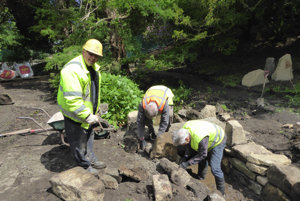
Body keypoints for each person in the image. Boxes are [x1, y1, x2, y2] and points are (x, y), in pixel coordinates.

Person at [57, 39, 106, 175]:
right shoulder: (72, 70)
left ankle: (90, 158)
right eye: (91, 53)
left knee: (89, 136)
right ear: (83, 51)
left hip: (87, 113)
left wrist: (95, 110)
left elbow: (92, 92)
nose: (93, 57)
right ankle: (84, 166)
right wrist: (87, 115)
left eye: (96, 55)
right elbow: (73, 100)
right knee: (78, 143)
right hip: (75, 114)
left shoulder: (93, 68)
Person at [172, 120, 227, 196]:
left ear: (187, 139)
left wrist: (187, 163)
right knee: (198, 156)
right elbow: (188, 145)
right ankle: (201, 177)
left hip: (218, 140)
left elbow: (202, 155)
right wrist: (186, 156)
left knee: (215, 168)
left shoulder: (200, 137)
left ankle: (221, 194)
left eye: (182, 144)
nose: (182, 146)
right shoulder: (185, 129)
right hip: (206, 137)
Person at [137, 85, 174, 150]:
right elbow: (140, 121)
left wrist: (158, 139)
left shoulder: (164, 103)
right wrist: (141, 139)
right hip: (151, 90)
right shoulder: (143, 104)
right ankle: (151, 131)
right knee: (145, 118)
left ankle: (166, 132)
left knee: (169, 116)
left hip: (166, 92)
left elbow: (164, 122)